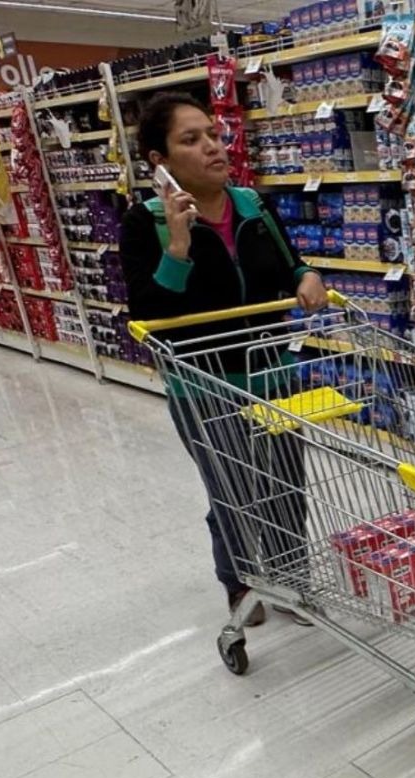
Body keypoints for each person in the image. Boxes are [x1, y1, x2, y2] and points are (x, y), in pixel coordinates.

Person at [120, 92, 327, 626]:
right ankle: (239, 584)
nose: (212, 146)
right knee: (233, 493)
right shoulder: (145, 223)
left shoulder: (254, 206)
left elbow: (292, 266)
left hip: (271, 374)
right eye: (191, 139)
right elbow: (147, 313)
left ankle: (289, 578)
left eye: (212, 133)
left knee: (285, 485)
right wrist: (179, 247)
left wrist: (306, 276)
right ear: (159, 163)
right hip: (204, 386)